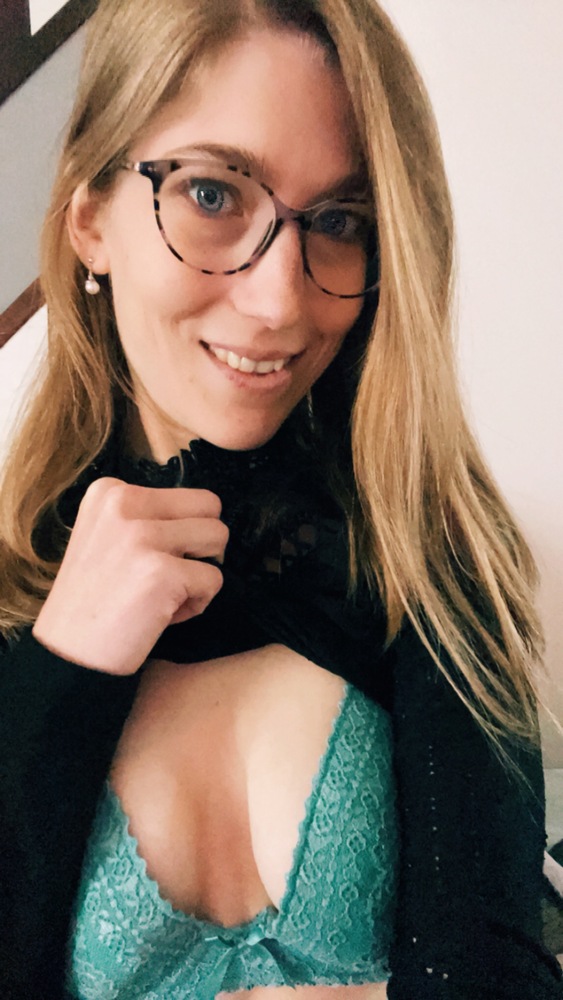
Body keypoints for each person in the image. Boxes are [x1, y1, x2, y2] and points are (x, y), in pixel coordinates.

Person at [0, 0, 560, 998]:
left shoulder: (425, 556)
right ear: (90, 219)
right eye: (212, 193)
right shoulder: (13, 582)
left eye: (338, 222)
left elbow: (488, 962)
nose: (279, 300)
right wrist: (59, 673)